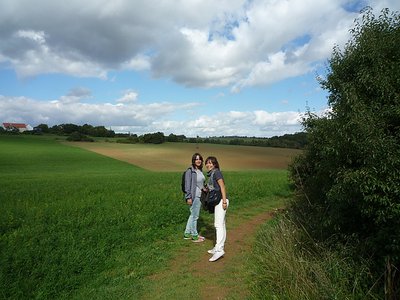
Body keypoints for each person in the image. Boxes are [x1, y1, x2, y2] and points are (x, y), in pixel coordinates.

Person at [205, 156, 229, 262]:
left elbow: (222, 186)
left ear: (215, 164)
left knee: (218, 225)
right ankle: (218, 247)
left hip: (221, 201)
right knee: (222, 224)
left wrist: (224, 201)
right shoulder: (212, 174)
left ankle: (219, 250)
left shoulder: (217, 172)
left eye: (211, 163)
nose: (208, 165)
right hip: (219, 201)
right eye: (207, 163)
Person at [183, 153, 206, 242]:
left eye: (199, 159)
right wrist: (188, 197)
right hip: (194, 196)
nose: (198, 160)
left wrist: (205, 188)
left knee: (192, 215)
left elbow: (200, 184)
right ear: (193, 160)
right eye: (196, 159)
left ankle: (187, 233)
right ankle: (194, 236)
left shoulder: (199, 171)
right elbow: (187, 185)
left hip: (200, 195)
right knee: (195, 216)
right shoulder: (190, 171)